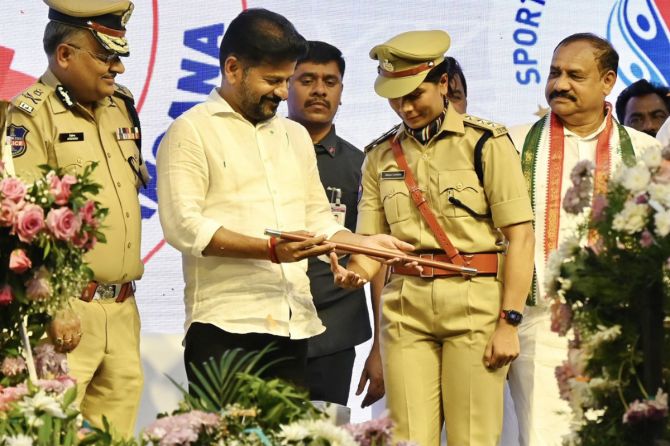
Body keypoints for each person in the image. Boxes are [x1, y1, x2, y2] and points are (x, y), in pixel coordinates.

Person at [156, 8, 414, 392]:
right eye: (273, 80)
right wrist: (270, 250)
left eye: (285, 79)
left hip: (295, 325)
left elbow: (318, 219)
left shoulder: (293, 137)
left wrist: (363, 243)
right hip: (226, 327)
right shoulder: (191, 131)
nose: (281, 91)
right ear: (232, 68)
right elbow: (184, 227)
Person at [337, 30, 535, 446]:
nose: (405, 107)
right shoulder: (379, 155)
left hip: (474, 303)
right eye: (395, 97)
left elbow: (520, 237)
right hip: (405, 307)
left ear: (443, 84)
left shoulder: (487, 143)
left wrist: (509, 322)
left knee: (473, 437)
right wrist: (355, 271)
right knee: (406, 439)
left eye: (414, 94)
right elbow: (371, 240)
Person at [507, 33, 662, 446]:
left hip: (620, 328)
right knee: (542, 436)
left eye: (575, 75)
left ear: (608, 81)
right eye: (554, 73)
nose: (559, 84)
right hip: (539, 323)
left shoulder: (648, 153)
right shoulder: (513, 143)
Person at [5, 0, 148, 438]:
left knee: (116, 436)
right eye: (105, 56)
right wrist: (54, 302)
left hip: (123, 309)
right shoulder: (30, 114)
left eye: (119, 55)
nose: (118, 68)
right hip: (66, 312)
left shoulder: (122, 106)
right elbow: (20, 221)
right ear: (64, 55)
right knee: (51, 433)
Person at [286, 40, 380, 406]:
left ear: (342, 91)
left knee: (324, 436)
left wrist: (380, 348)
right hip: (267, 326)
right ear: (285, 86)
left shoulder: (363, 166)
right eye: (307, 79)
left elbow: (374, 260)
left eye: (330, 81)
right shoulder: (260, 155)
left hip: (334, 332)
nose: (319, 90)